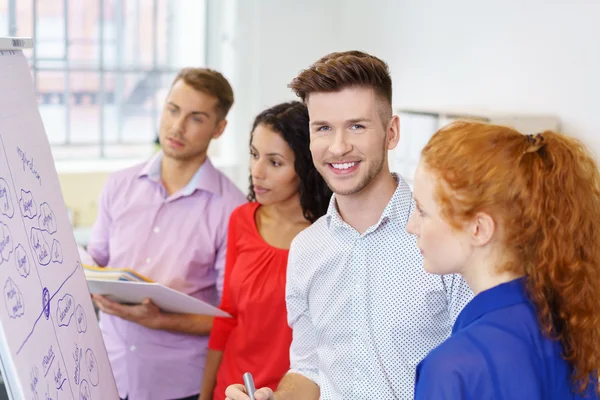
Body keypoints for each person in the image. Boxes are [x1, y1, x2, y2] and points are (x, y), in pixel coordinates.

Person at [225, 51, 473, 400]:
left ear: (391, 133)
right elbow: (309, 368)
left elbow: (477, 374)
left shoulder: (447, 239)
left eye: (357, 126)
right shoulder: (306, 249)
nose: (339, 147)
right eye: (323, 128)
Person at [407, 121, 600, 399]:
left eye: (422, 211)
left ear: (479, 229)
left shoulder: (451, 369)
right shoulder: (573, 327)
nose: (411, 226)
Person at [87, 67, 246, 400]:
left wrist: (161, 320)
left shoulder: (232, 209)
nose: (177, 126)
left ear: (219, 129)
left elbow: (230, 318)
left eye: (196, 118)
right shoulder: (119, 184)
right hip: (105, 373)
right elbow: (95, 265)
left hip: (177, 386)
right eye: (172, 110)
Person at [199, 101, 332, 400]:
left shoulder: (329, 236)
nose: (257, 172)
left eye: (274, 162)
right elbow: (227, 317)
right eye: (254, 155)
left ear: (304, 167)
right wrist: (205, 394)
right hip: (232, 389)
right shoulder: (241, 220)